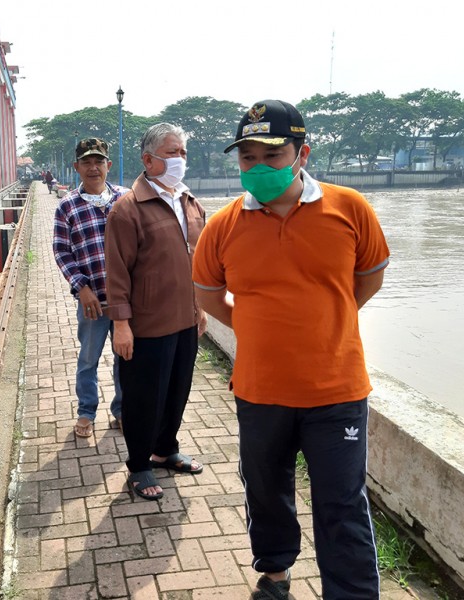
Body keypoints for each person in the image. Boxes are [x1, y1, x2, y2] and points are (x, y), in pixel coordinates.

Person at [192, 100, 389, 599]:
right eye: (247, 158)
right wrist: (257, 328)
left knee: (341, 503)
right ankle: (275, 574)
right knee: (266, 490)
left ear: (302, 154)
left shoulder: (350, 208)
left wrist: (328, 319)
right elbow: (208, 295)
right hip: (260, 391)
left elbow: (369, 278)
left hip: (337, 390)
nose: (257, 167)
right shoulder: (223, 225)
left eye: (271, 156)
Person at [104, 123, 207, 501]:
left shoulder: (190, 202)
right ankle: (139, 465)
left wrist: (201, 308)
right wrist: (121, 324)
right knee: (144, 397)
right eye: (172, 152)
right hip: (147, 325)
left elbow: (200, 262)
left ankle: (165, 450)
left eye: (183, 152)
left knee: (178, 390)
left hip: (185, 320)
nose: (180, 159)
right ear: (148, 160)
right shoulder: (128, 209)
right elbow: (117, 272)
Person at [53, 138, 129, 438]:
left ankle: (121, 409)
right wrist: (81, 288)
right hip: (92, 301)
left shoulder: (125, 199)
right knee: (88, 359)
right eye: (86, 162)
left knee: (125, 357)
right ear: (77, 167)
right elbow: (62, 251)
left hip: (126, 300)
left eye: (98, 161)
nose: (93, 167)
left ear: (108, 165)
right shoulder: (67, 206)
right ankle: (86, 412)